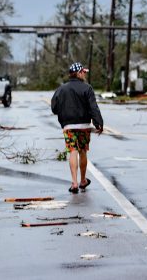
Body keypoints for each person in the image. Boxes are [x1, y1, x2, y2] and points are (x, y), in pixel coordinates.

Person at [51, 62, 104, 194]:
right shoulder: (87, 88)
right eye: (84, 72)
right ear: (79, 73)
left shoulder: (61, 89)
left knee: (73, 151)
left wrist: (64, 113)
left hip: (68, 126)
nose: (85, 75)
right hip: (84, 126)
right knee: (83, 152)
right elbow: (93, 108)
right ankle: (83, 180)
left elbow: (54, 108)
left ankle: (74, 183)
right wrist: (99, 123)